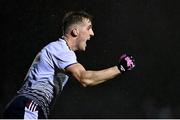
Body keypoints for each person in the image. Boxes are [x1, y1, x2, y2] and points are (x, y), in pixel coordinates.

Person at [3, 10, 135, 119]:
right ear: (75, 31)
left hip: (29, 107)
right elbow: (85, 79)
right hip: (29, 106)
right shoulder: (60, 49)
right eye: (89, 28)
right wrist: (120, 68)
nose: (92, 33)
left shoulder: (60, 50)